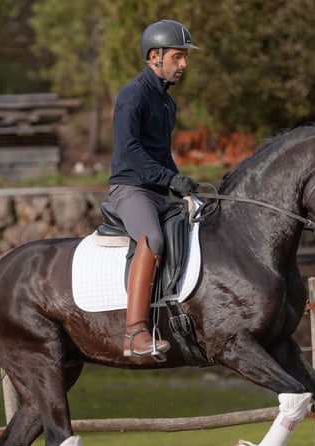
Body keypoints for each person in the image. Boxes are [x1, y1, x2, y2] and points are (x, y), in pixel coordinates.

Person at [108, 19, 200, 359]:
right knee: (154, 239)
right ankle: (134, 332)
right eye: (177, 57)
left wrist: (183, 184)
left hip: (158, 190)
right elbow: (131, 150)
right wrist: (169, 179)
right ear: (154, 57)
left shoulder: (167, 103)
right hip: (130, 188)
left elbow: (162, 155)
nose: (184, 65)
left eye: (185, 58)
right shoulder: (133, 95)